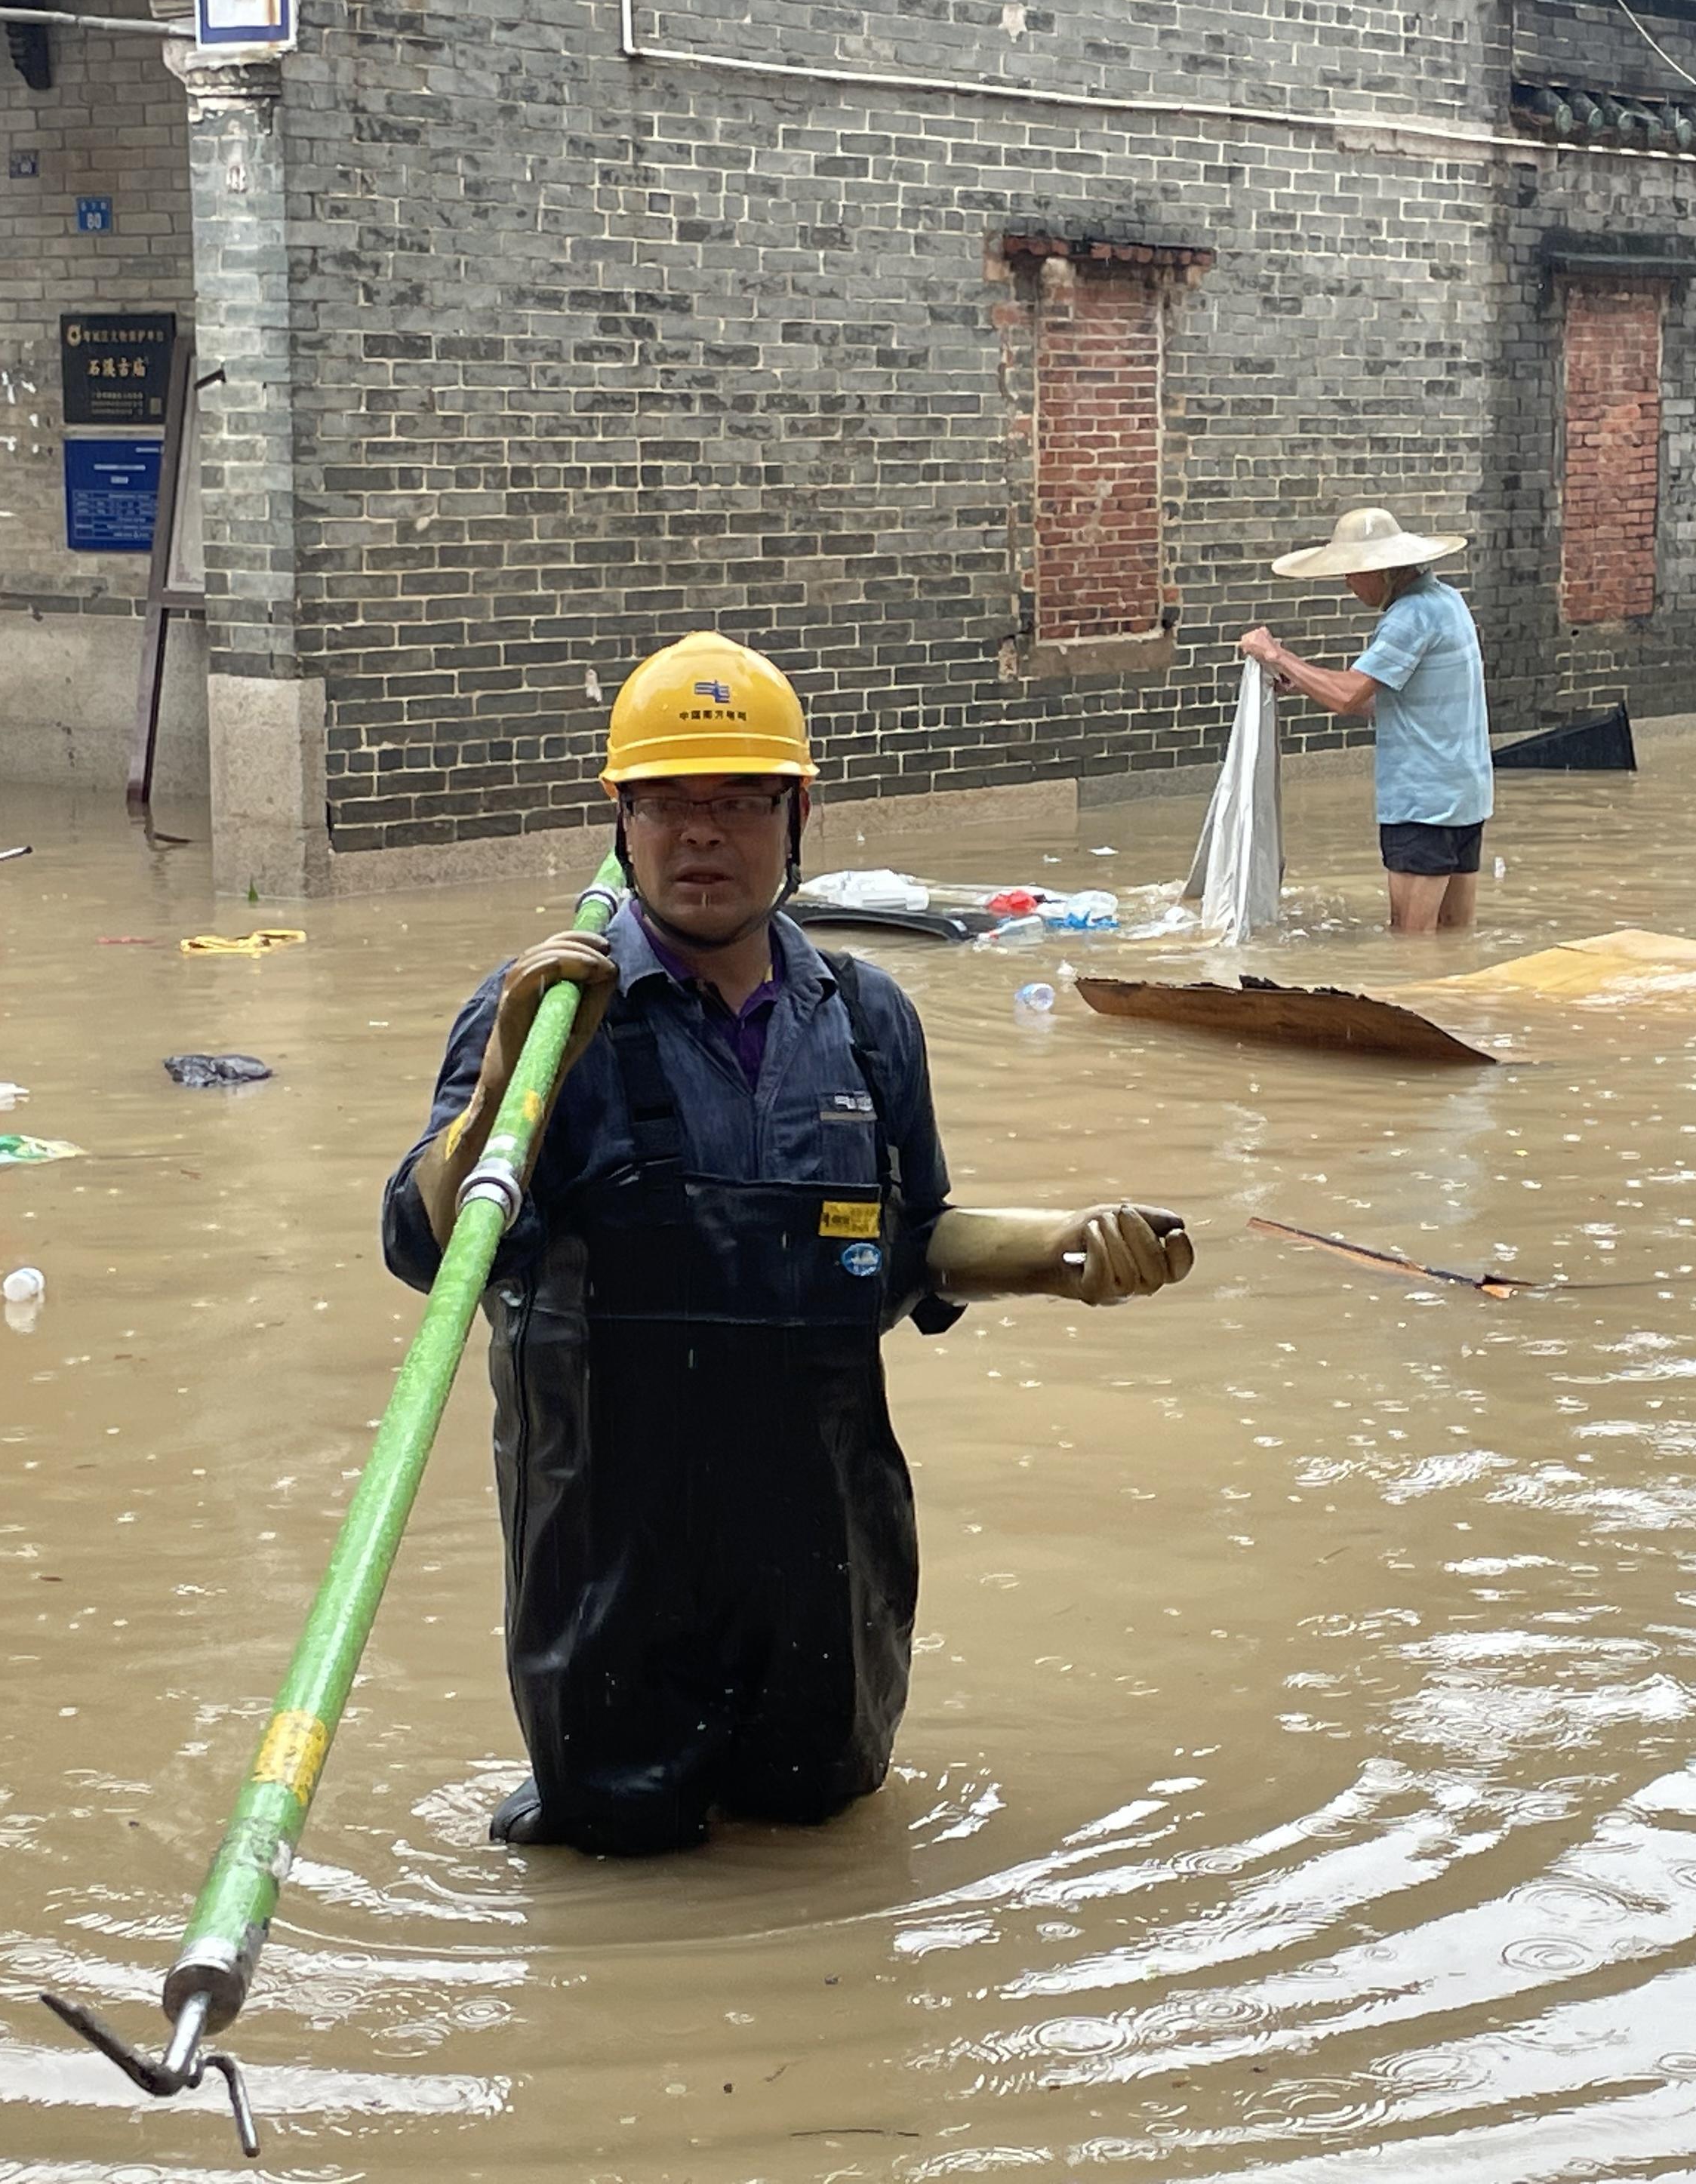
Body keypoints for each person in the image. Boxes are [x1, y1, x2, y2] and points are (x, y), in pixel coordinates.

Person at [383, 632, 1196, 1857]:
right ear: (621, 819)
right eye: (668, 801)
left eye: (738, 800)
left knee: (827, 1836)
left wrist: (1061, 1249)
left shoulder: (867, 1022)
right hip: (608, 1559)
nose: (702, 833)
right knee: (614, 1852)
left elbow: (906, 1246)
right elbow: (421, 1240)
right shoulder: (546, 1018)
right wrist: (502, 1074)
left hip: (826, 1547)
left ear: (797, 811)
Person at [1241, 505, 1494, 935]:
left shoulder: (1409, 617)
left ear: (1383, 571)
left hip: (1422, 805)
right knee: (1455, 938)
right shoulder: (1448, 601)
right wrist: (1303, 682)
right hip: (1466, 797)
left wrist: (1276, 655)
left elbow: (1347, 695)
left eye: (1353, 572)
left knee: (1411, 943)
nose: (1347, 581)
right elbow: (1395, 703)